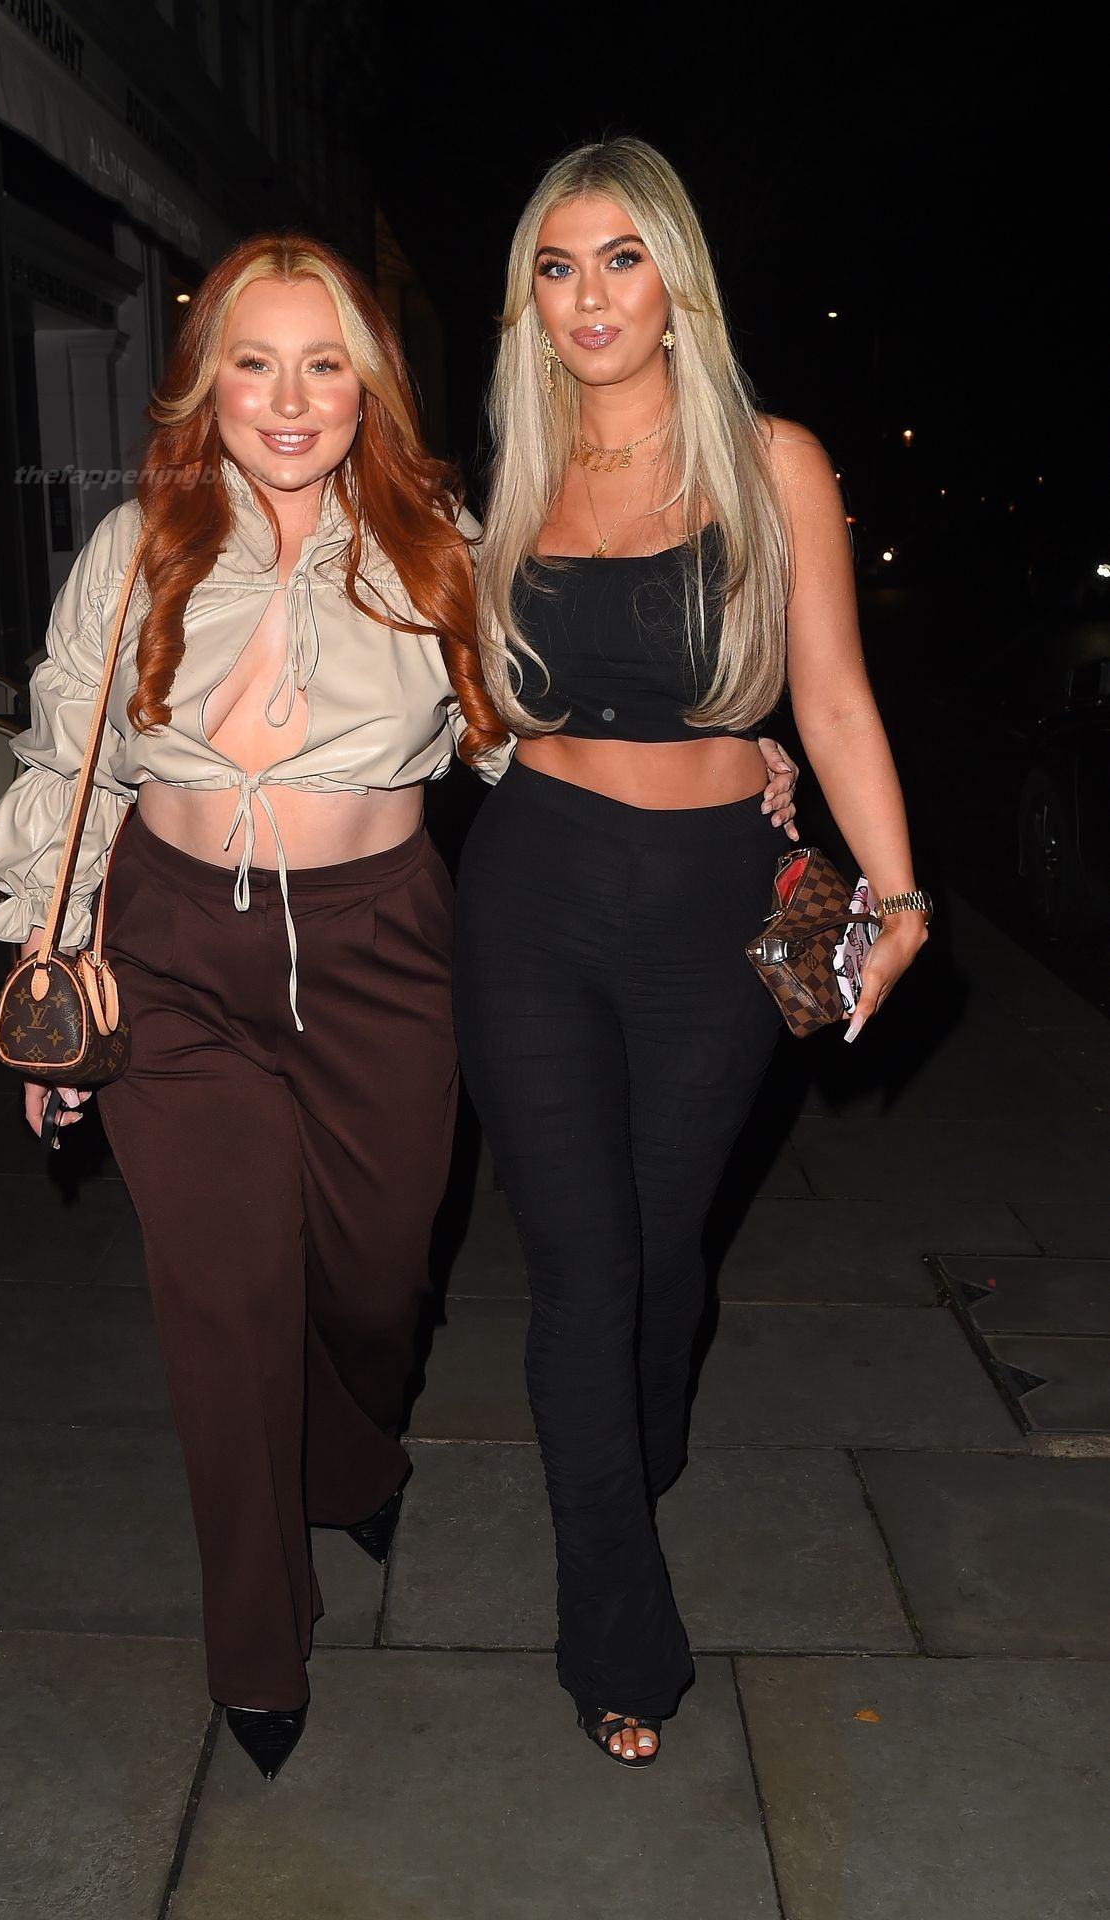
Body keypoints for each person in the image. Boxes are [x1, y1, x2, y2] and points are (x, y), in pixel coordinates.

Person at [0, 229, 800, 1782]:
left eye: (324, 366)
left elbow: (539, 724)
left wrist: (724, 749)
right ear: (205, 382)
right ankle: (255, 1645)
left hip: (384, 952)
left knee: (373, 1284)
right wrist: (48, 953)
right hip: (170, 948)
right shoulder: (137, 543)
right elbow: (64, 759)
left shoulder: (442, 545)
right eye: (252, 363)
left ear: (369, 386)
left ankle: (355, 1452)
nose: (289, 401)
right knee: (223, 1309)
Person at [452, 137, 931, 1769]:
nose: (587, 296)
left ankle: (627, 1446)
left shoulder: (769, 459)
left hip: (719, 893)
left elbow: (833, 695)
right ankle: (616, 1637)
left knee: (660, 1261)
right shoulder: (512, 476)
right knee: (581, 1269)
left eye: (620, 259)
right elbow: (463, 706)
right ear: (527, 297)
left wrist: (896, 896)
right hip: (532, 889)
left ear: (677, 283)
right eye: (555, 266)